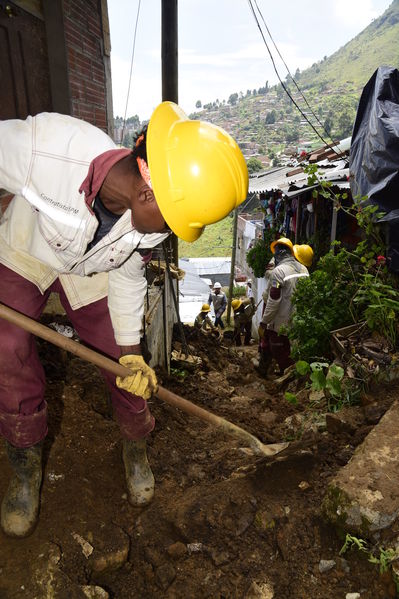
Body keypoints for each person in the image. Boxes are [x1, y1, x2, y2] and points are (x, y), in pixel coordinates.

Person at [0, 102, 248, 537]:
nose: (170, 232)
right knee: (6, 348)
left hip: (92, 269)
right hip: (27, 247)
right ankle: (24, 465)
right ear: (148, 192)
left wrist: (132, 354)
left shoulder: (147, 223)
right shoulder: (49, 148)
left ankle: (135, 447)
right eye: (174, 222)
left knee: (120, 360)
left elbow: (128, 279)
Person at [258, 239, 312, 376]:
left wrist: (264, 322)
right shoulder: (304, 270)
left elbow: (274, 300)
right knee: (292, 350)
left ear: (278, 254)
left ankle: (284, 375)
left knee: (279, 349)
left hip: (280, 322)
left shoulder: (279, 271)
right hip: (299, 319)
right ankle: (288, 373)